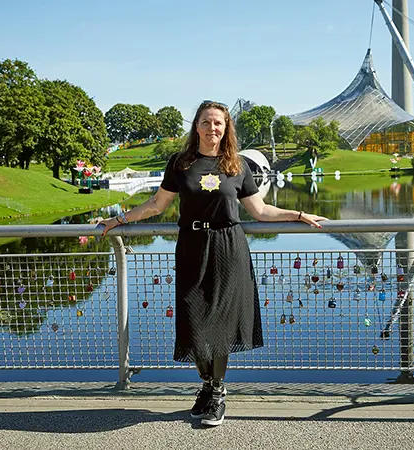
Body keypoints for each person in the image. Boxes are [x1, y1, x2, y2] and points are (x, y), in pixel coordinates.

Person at [100, 100, 327, 427]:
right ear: (197, 126)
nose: (212, 128)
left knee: (220, 324)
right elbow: (156, 204)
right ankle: (208, 384)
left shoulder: (237, 165)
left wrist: (299, 214)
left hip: (228, 248)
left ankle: (215, 392)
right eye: (206, 122)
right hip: (192, 248)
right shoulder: (180, 164)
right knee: (194, 321)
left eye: (218, 123)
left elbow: (260, 212)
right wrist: (119, 219)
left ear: (226, 128)